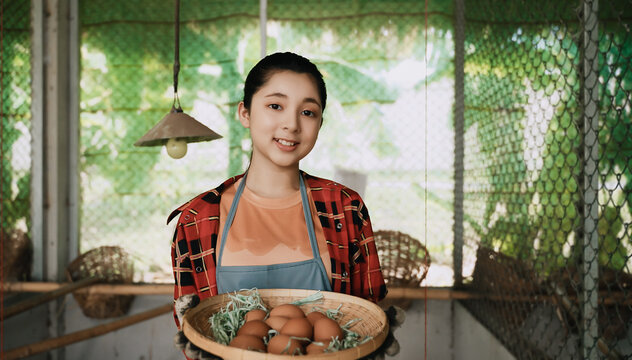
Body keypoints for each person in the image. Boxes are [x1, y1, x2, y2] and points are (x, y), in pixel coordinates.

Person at [169, 52, 397, 359]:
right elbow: (196, 325)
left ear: (319, 123)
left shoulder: (345, 208)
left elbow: (364, 318)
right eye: (275, 106)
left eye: (308, 112)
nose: (291, 124)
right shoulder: (199, 218)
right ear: (245, 113)